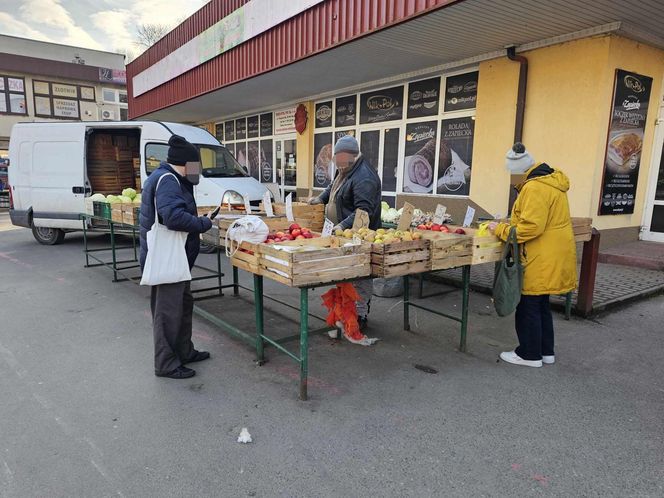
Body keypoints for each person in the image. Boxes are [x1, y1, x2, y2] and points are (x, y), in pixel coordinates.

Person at [491, 143, 577, 368]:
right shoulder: (551, 182)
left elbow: (531, 227)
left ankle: (529, 354)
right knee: (541, 305)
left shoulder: (534, 187)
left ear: (520, 170)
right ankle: (546, 352)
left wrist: (498, 229)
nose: (511, 179)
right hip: (553, 253)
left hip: (540, 255)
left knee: (528, 304)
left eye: (512, 173)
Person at [140, 135, 215, 379]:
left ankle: (184, 351)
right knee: (168, 313)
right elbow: (172, 217)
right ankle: (166, 363)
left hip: (176, 259)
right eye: (195, 166)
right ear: (185, 163)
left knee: (182, 306)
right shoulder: (169, 180)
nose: (197, 171)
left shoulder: (171, 178)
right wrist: (203, 223)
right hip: (167, 259)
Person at [309, 135, 381, 330]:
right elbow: (333, 187)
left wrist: (342, 225)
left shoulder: (364, 177)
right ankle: (346, 311)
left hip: (359, 236)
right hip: (343, 236)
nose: (337, 164)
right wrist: (321, 199)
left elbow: (363, 212)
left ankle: (360, 315)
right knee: (347, 275)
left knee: (361, 277)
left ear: (351, 156)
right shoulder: (345, 169)